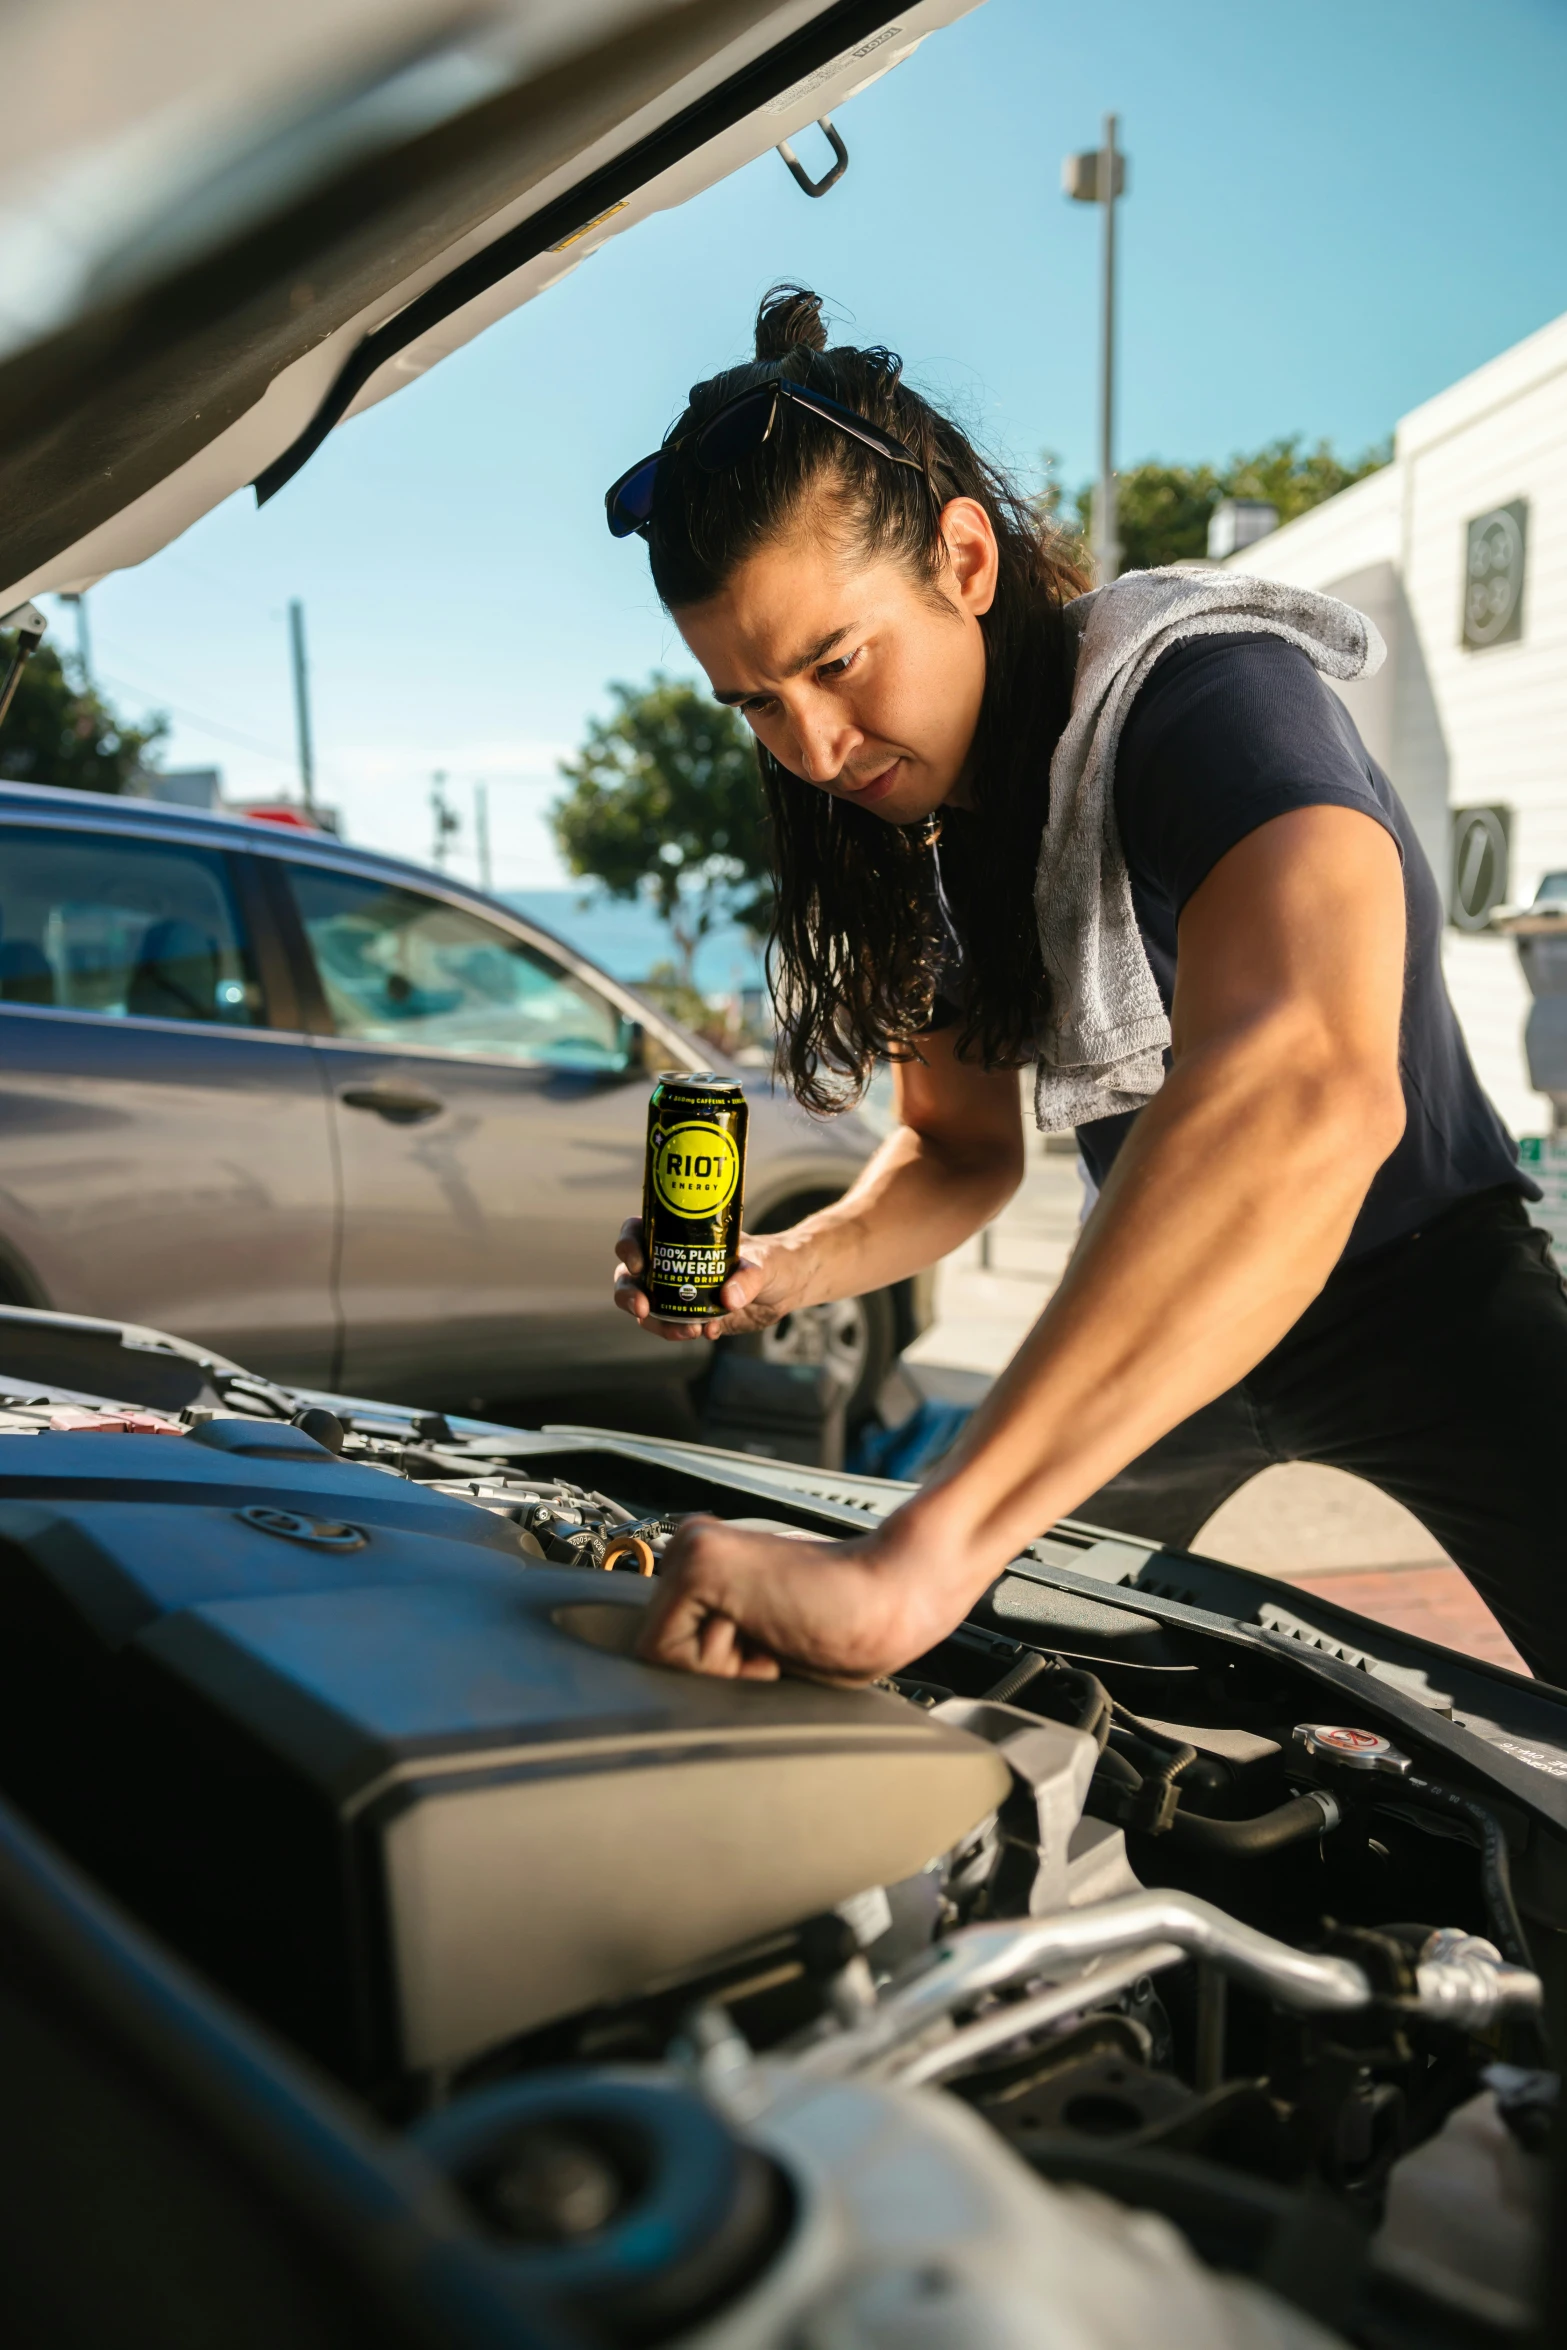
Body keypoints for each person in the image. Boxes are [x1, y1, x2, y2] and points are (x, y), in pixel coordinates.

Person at [607, 284, 1567, 1688]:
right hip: (1149, 1320)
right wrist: (779, 1268)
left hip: (1422, 1288)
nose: (808, 746)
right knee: (970, 1696)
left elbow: (1310, 1085)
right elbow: (956, 1150)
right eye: (754, 701)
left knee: (923, 1583)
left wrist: (911, 1561)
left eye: (833, 661)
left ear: (964, 558)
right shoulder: (921, 837)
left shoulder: (1206, 693)